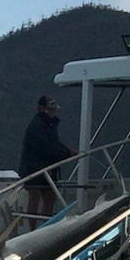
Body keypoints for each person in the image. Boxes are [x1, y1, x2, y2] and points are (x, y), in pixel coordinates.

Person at [19, 95, 78, 230]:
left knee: (50, 196)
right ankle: (32, 229)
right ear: (41, 108)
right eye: (49, 109)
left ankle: (47, 227)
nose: (52, 112)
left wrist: (66, 151)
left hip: (47, 167)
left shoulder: (49, 125)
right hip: (33, 168)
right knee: (35, 196)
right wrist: (66, 153)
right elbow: (45, 147)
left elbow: (54, 144)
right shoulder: (37, 125)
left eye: (53, 109)